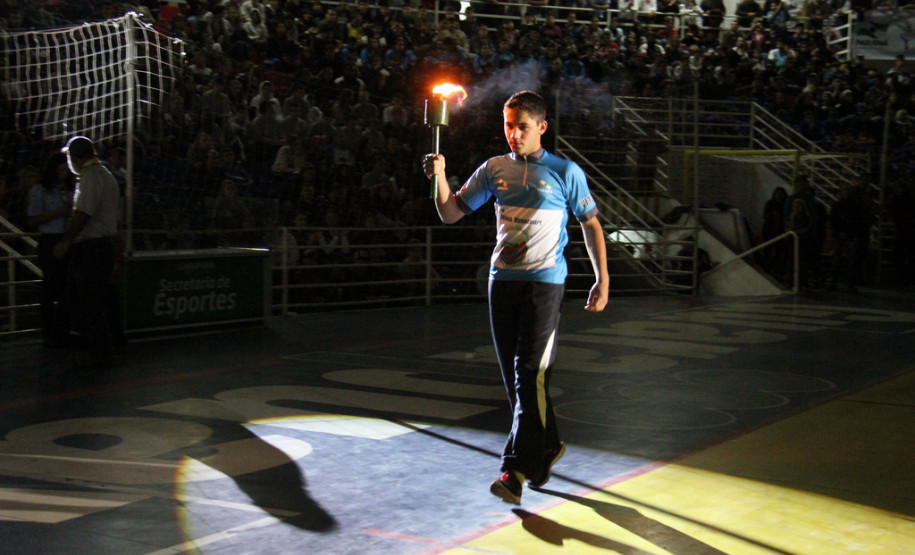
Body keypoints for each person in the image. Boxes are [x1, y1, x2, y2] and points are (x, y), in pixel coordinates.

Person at [422, 90, 609, 505]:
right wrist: (440, 176)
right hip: (502, 282)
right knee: (517, 380)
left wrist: (602, 280)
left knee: (529, 374)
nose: (513, 134)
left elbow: (591, 225)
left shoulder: (565, 171)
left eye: (522, 126)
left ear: (542, 127)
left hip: (545, 284)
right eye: (508, 125)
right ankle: (547, 445)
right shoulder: (494, 169)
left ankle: (514, 470)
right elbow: (451, 213)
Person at [52, 136, 121, 369]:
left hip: (92, 247)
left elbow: (83, 213)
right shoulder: (104, 175)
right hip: (101, 246)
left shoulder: (91, 177)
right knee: (89, 299)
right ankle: (98, 348)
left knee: (86, 300)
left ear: (76, 157)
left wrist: (66, 241)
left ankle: (98, 352)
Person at [27, 152, 74, 348]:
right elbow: (31, 220)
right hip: (50, 238)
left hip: (69, 238)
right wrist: (58, 212)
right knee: (50, 288)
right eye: (61, 170)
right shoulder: (40, 191)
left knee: (66, 289)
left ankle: (64, 330)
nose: (64, 174)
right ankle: (49, 332)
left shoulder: (72, 189)